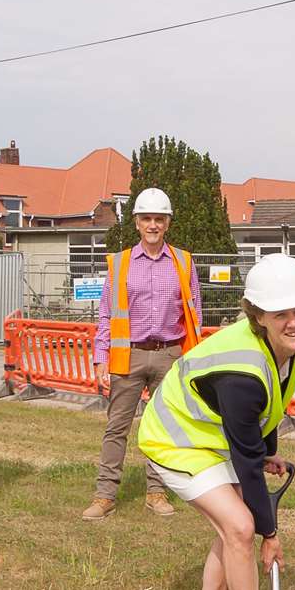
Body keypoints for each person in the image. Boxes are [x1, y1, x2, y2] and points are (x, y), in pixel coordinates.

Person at [137, 255, 295, 590]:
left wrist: (268, 448)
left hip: (213, 436)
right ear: (258, 316)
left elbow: (275, 395)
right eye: (281, 314)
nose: (294, 322)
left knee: (233, 528)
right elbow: (245, 453)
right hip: (174, 439)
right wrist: (270, 533)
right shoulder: (239, 374)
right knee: (241, 526)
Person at [82, 187, 203, 521]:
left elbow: (195, 313)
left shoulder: (183, 261)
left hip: (170, 355)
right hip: (129, 355)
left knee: (163, 428)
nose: (153, 225)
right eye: (147, 219)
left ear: (167, 223)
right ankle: (105, 495)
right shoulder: (120, 264)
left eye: (159, 219)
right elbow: (106, 315)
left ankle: (156, 492)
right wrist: (101, 357)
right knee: (116, 427)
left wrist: (190, 359)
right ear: (136, 223)